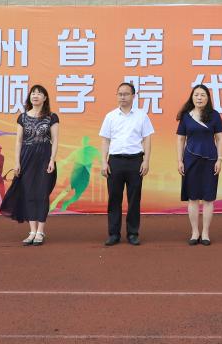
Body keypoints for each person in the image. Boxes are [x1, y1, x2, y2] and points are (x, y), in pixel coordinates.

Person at [0, 85, 59, 246]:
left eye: (39, 93)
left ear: (45, 98)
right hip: (27, 158)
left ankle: (40, 231)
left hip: (45, 158)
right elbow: (19, 141)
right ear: (29, 97)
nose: (35, 96)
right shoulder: (23, 117)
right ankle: (32, 231)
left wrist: (52, 159)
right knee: (29, 194)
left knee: (42, 194)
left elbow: (55, 140)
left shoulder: (52, 117)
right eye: (33, 93)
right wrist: (17, 162)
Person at [100, 82, 155, 246]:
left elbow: (147, 139)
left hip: (135, 161)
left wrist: (146, 160)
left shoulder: (141, 116)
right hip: (115, 161)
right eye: (120, 94)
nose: (122, 97)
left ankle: (132, 233)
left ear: (133, 96)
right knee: (114, 199)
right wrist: (104, 162)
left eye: (126, 94)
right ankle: (113, 234)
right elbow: (105, 140)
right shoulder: (110, 116)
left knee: (134, 199)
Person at [176, 84, 222, 246]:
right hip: (190, 160)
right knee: (193, 198)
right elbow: (180, 139)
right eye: (196, 95)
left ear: (207, 98)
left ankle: (205, 233)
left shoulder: (214, 115)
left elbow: (219, 138)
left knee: (208, 198)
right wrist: (179, 160)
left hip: (210, 160)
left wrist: (219, 159)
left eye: (202, 95)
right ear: (192, 97)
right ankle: (194, 232)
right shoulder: (186, 116)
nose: (199, 98)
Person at [50, 135, 98, 212]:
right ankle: (54, 203)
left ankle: (66, 203)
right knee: (68, 189)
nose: (84, 142)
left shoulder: (93, 150)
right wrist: (60, 164)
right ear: (82, 142)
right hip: (77, 173)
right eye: (83, 140)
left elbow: (101, 159)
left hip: (85, 175)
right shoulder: (77, 152)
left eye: (86, 140)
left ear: (88, 142)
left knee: (77, 196)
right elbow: (66, 160)